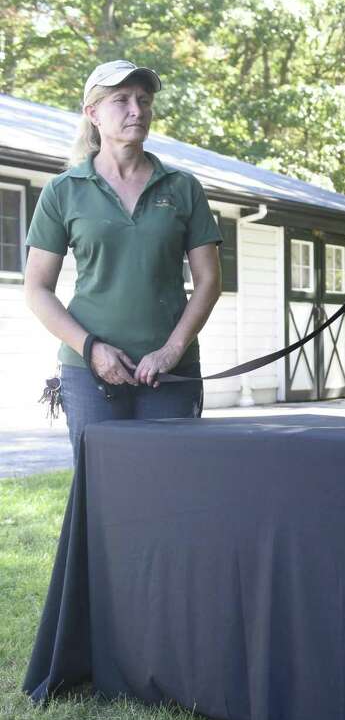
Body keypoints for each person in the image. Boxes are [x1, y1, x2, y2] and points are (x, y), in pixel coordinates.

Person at [24, 60, 222, 462]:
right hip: (88, 374)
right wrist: (91, 349)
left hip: (169, 373)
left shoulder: (183, 188)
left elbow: (209, 280)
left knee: (172, 490)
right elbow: (36, 289)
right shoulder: (63, 192)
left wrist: (171, 351)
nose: (138, 109)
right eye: (122, 100)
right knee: (101, 489)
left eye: (144, 100)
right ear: (93, 113)